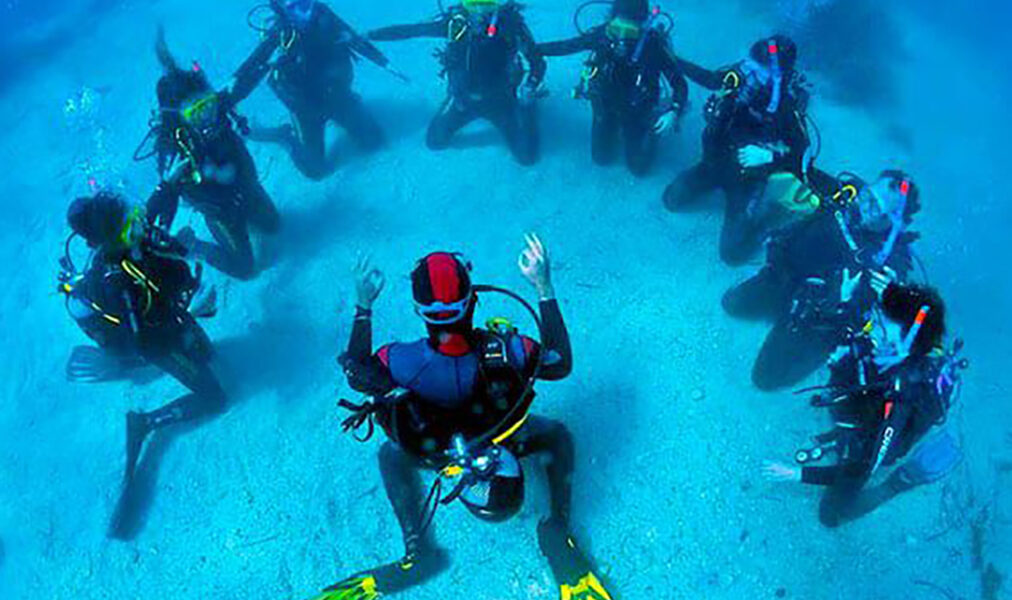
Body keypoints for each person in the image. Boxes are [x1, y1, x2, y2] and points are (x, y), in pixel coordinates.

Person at [311, 237, 612, 600]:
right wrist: (543, 287)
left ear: (419, 310)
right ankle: (556, 530)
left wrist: (364, 306)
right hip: (504, 446)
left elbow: (358, 374)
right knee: (558, 435)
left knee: (390, 454)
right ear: (471, 298)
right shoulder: (510, 350)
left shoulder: (401, 359)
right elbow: (560, 362)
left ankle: (417, 553)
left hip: (440, 457)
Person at [59, 192, 226, 491]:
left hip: (168, 317)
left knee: (208, 355)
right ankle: (145, 422)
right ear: (108, 241)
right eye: (127, 227)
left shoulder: (134, 239)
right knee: (215, 398)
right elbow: (145, 345)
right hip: (154, 343)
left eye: (132, 217)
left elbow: (164, 239)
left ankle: (183, 347)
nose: (137, 227)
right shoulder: (113, 283)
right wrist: (189, 312)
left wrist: (188, 270)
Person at [763, 282, 966, 527]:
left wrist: (796, 474)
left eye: (880, 327)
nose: (870, 331)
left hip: (878, 435)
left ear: (906, 343)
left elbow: (858, 467)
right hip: (865, 412)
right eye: (874, 319)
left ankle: (901, 481)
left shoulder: (902, 401)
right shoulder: (875, 347)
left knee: (832, 516)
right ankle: (844, 437)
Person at [723, 169, 921, 390]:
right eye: (868, 195)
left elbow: (863, 317)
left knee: (765, 379)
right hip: (784, 277)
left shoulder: (888, 264)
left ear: (896, 222)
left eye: (876, 207)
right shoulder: (843, 195)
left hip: (813, 318)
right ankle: (777, 302)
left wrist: (846, 300)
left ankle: (813, 347)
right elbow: (798, 166)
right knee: (731, 304)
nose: (863, 205)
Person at [138, 29, 281, 281]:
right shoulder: (172, 147)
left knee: (275, 226)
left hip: (247, 189)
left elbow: (246, 73)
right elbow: (167, 194)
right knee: (245, 270)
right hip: (222, 212)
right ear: (179, 117)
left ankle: (251, 220)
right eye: (196, 112)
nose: (207, 117)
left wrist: (274, 41)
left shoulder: (219, 106)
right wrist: (163, 234)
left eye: (208, 105)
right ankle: (197, 246)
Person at [663, 35, 811, 265]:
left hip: (748, 180)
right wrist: (672, 57)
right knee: (671, 200)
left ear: (777, 79)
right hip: (716, 162)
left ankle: (767, 218)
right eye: (749, 65)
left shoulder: (787, 106)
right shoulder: (740, 76)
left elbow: (802, 152)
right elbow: (710, 78)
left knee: (732, 254)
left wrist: (770, 156)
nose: (749, 75)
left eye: (759, 71)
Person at [368, 0, 547, 165]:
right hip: (464, 101)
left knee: (527, 158)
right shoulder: (455, 24)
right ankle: (449, 101)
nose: (480, 11)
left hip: (502, 102)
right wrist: (370, 35)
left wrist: (529, 87)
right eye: (474, 3)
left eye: (487, 3)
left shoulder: (511, 26)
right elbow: (412, 30)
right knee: (435, 142)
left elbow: (537, 61)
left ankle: (528, 109)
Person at [233, 0, 394, 180]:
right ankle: (286, 137)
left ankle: (351, 106)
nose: (303, 10)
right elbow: (256, 61)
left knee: (374, 142)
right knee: (316, 171)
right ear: (279, 7)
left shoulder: (325, 15)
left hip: (337, 97)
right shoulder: (280, 32)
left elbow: (354, 38)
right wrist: (230, 92)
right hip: (306, 109)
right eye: (291, 4)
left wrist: (383, 62)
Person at [537, 0, 687, 176]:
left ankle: (653, 129)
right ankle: (616, 130)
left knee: (639, 169)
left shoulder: (653, 46)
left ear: (642, 27)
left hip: (637, 112)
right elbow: (566, 46)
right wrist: (533, 49)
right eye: (617, 29)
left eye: (630, 31)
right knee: (601, 159)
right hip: (605, 107)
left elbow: (679, 83)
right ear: (610, 21)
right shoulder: (602, 35)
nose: (622, 38)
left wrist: (674, 111)